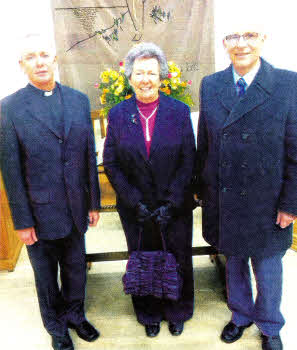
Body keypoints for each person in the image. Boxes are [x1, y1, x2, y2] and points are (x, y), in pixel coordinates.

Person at [194, 19, 297, 350]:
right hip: (225, 196)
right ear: (224, 43)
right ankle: (240, 316)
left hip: (267, 200)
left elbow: (296, 151)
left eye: (250, 35)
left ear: (264, 39)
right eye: (233, 36)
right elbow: (205, 143)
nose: (242, 43)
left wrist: (290, 203)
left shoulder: (287, 84)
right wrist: (201, 188)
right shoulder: (211, 84)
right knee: (234, 262)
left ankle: (269, 325)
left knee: (267, 268)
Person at [0, 34, 101, 350]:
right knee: (46, 278)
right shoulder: (9, 108)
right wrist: (22, 220)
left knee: (75, 269)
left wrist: (93, 201)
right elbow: (11, 170)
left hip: (75, 206)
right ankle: (56, 328)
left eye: (45, 54)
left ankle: (75, 315)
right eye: (31, 56)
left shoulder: (78, 100)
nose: (40, 62)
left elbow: (88, 155)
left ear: (56, 59)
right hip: (38, 213)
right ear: (22, 65)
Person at [103, 42, 196, 337]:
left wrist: (172, 202)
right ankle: (149, 313)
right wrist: (133, 201)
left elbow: (188, 159)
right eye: (139, 73)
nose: (145, 79)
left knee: (177, 256)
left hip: (175, 206)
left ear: (161, 77)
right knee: (143, 258)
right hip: (136, 209)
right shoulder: (117, 115)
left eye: (152, 73)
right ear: (130, 78)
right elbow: (111, 162)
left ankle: (177, 310)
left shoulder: (179, 111)